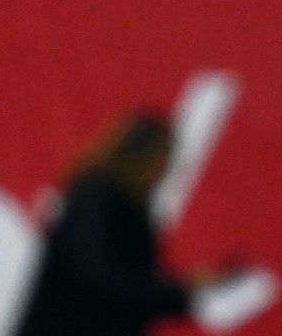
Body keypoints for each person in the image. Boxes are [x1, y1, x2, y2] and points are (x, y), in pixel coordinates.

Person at [14, 112, 215, 336]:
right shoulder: (99, 198)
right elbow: (100, 276)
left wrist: (178, 290)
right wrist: (175, 293)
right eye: (165, 160)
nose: (166, 172)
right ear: (147, 159)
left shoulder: (117, 203)